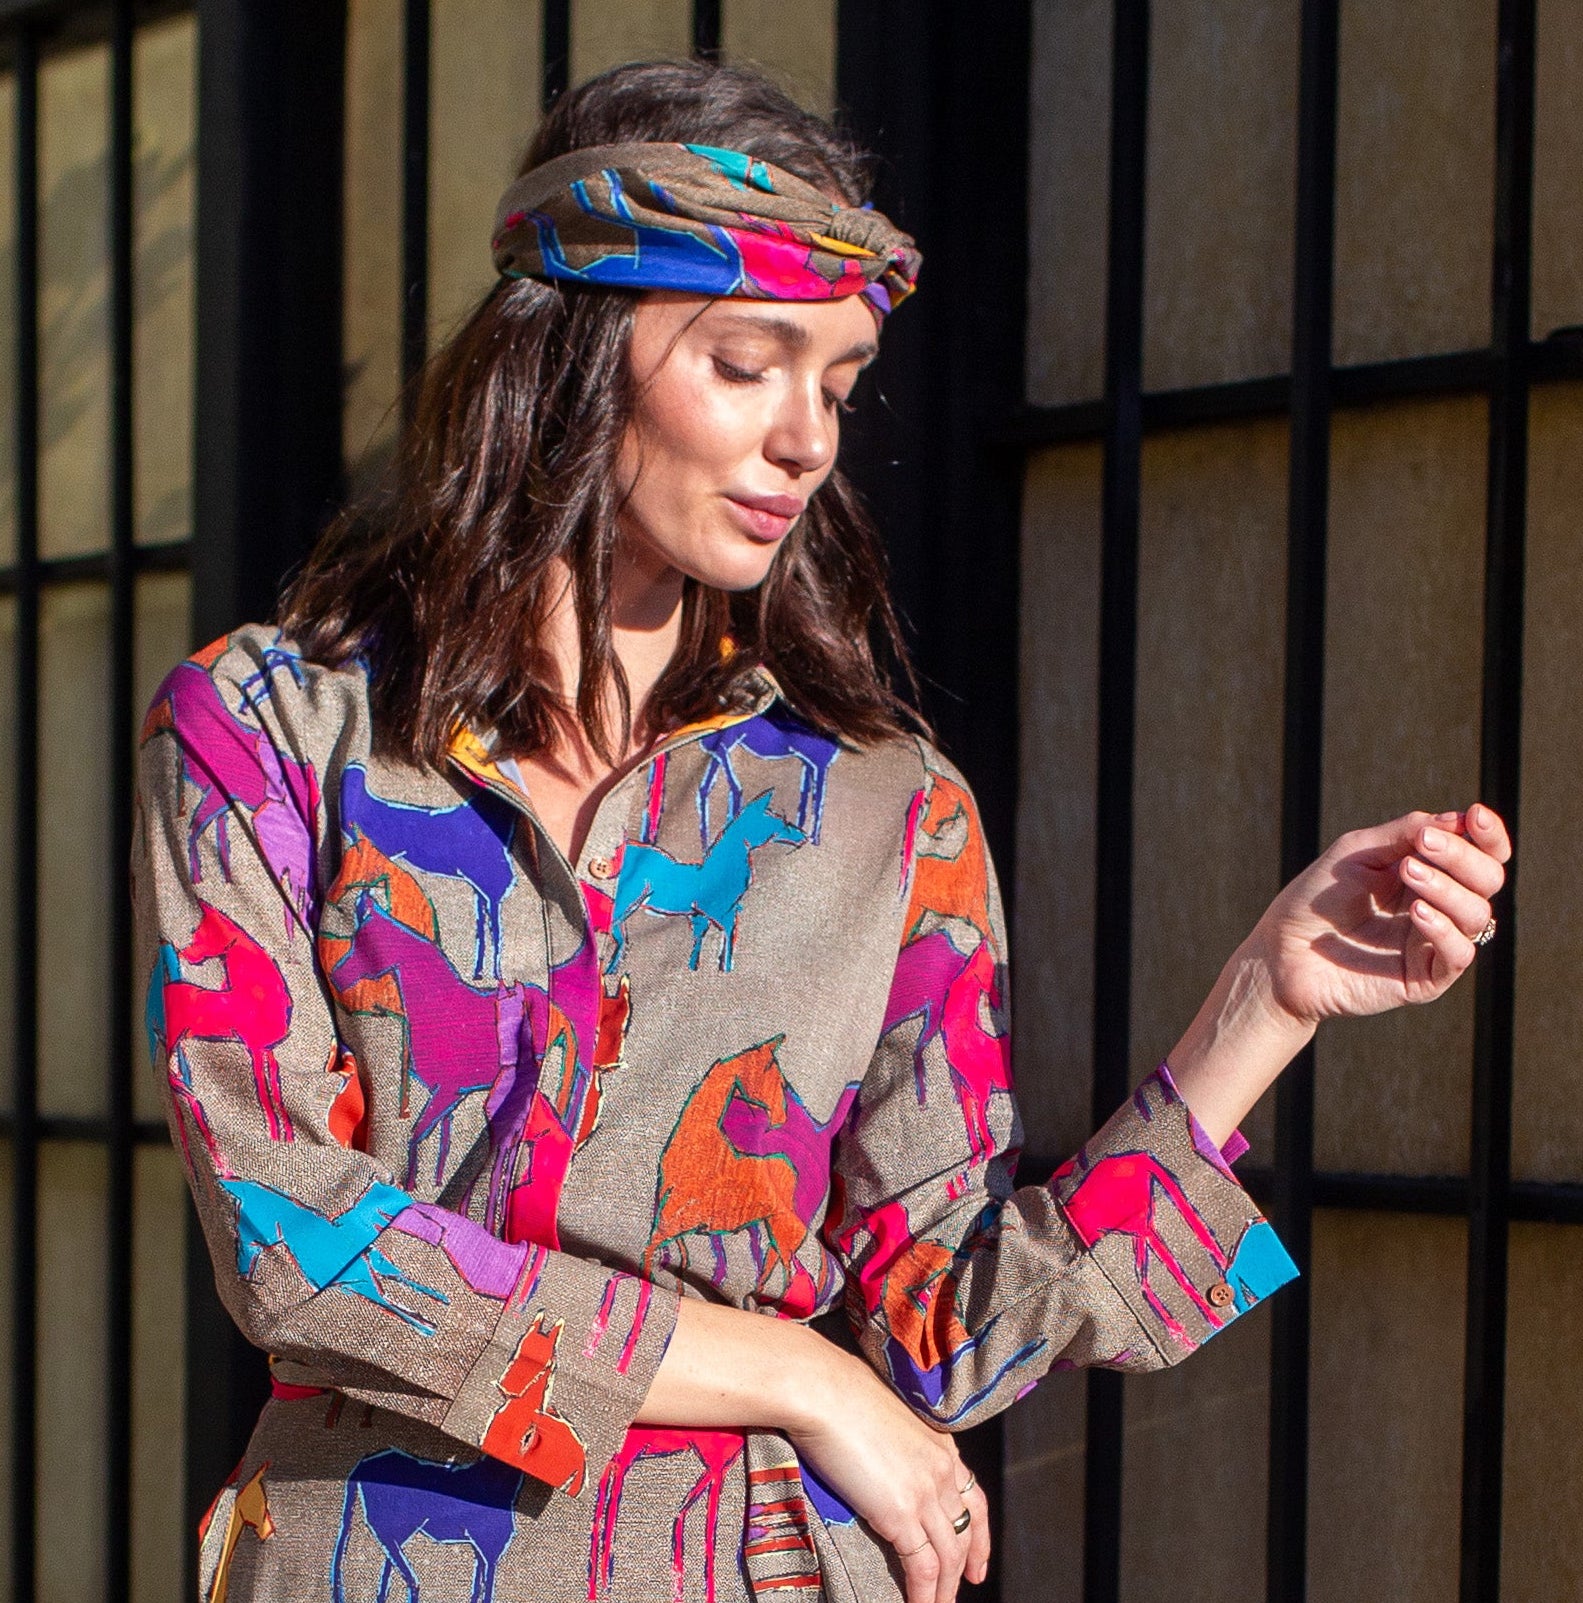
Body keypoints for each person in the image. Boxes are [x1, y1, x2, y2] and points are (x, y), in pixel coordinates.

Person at [132, 57, 1512, 1603]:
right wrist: (795, 1374)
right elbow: (290, 1245)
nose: (808, 440)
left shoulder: (885, 805)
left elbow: (947, 1334)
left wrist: (1264, 1004)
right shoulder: (271, 733)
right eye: (747, 365)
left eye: (840, 387)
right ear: (565, 356)